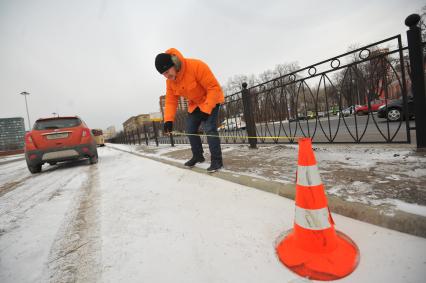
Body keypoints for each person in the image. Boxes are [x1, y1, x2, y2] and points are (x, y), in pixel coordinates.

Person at [155, 48, 224, 172]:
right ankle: (198, 156)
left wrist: (207, 108)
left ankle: (217, 161)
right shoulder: (170, 82)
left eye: (167, 71)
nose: (167, 76)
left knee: (209, 128)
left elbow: (213, 88)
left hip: (212, 99)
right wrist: (168, 120)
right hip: (196, 104)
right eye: (163, 74)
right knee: (190, 128)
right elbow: (171, 101)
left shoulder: (196, 66)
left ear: (174, 64)